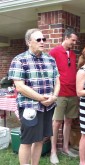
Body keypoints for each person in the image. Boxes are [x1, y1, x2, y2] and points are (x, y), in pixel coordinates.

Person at [8, 28, 60, 165]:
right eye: (38, 39)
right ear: (28, 42)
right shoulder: (19, 60)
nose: (42, 42)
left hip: (48, 107)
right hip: (29, 107)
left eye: (44, 39)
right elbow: (19, 86)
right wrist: (42, 99)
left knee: (39, 139)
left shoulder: (50, 59)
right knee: (27, 140)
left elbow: (57, 80)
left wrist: (54, 96)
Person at [49, 28, 79, 164]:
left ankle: (66, 148)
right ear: (66, 38)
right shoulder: (54, 52)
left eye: (75, 41)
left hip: (72, 93)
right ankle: (53, 152)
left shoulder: (73, 54)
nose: (74, 43)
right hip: (60, 93)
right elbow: (50, 73)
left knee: (68, 121)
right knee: (56, 123)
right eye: (73, 40)